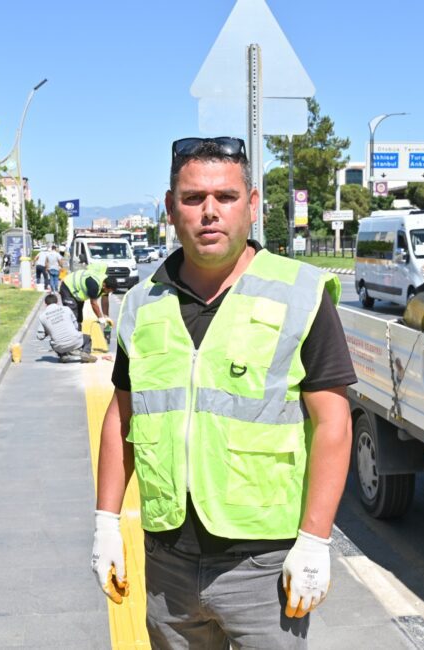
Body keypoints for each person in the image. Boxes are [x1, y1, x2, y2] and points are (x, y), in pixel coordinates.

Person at [91, 137, 356, 648]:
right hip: (167, 560)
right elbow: (121, 417)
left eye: (226, 197)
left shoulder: (299, 294)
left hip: (263, 565)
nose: (210, 212)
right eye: (193, 198)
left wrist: (315, 540)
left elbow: (333, 423)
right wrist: (105, 524)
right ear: (171, 208)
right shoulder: (143, 304)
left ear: (252, 205)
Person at [36, 293, 96, 362]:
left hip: (59, 346)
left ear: (45, 304)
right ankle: (85, 353)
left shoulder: (42, 316)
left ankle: (63, 355)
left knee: (52, 342)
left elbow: (40, 337)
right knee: (87, 338)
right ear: (57, 302)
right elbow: (76, 325)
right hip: (75, 341)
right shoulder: (66, 309)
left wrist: (47, 331)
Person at [59, 263, 114, 330]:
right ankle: (70, 335)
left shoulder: (106, 283)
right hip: (68, 287)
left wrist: (106, 316)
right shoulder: (94, 285)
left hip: (77, 293)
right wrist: (100, 318)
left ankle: (78, 332)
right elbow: (93, 303)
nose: (108, 293)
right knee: (72, 314)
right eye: (108, 291)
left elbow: (105, 301)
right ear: (104, 286)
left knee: (79, 316)